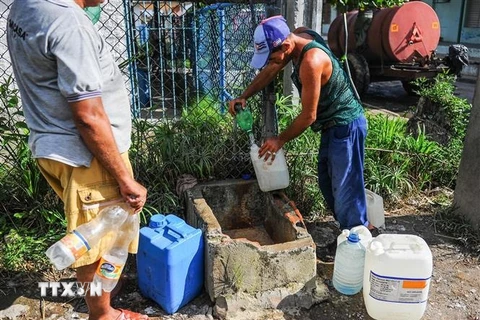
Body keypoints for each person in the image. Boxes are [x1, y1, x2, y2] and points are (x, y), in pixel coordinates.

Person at [7, 1, 148, 319]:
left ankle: (101, 297)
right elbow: (88, 116)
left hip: (55, 145)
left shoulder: (26, 5)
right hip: (87, 155)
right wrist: (125, 179)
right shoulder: (69, 23)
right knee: (95, 243)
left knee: (91, 235)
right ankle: (103, 314)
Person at [229, 15, 370, 232]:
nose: (271, 62)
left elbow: (308, 116)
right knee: (327, 182)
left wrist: (280, 140)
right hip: (333, 126)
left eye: (271, 56)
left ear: (286, 45)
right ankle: (348, 231)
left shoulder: (311, 62)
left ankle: (359, 236)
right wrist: (245, 95)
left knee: (346, 189)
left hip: (346, 125)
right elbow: (273, 69)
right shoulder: (298, 37)